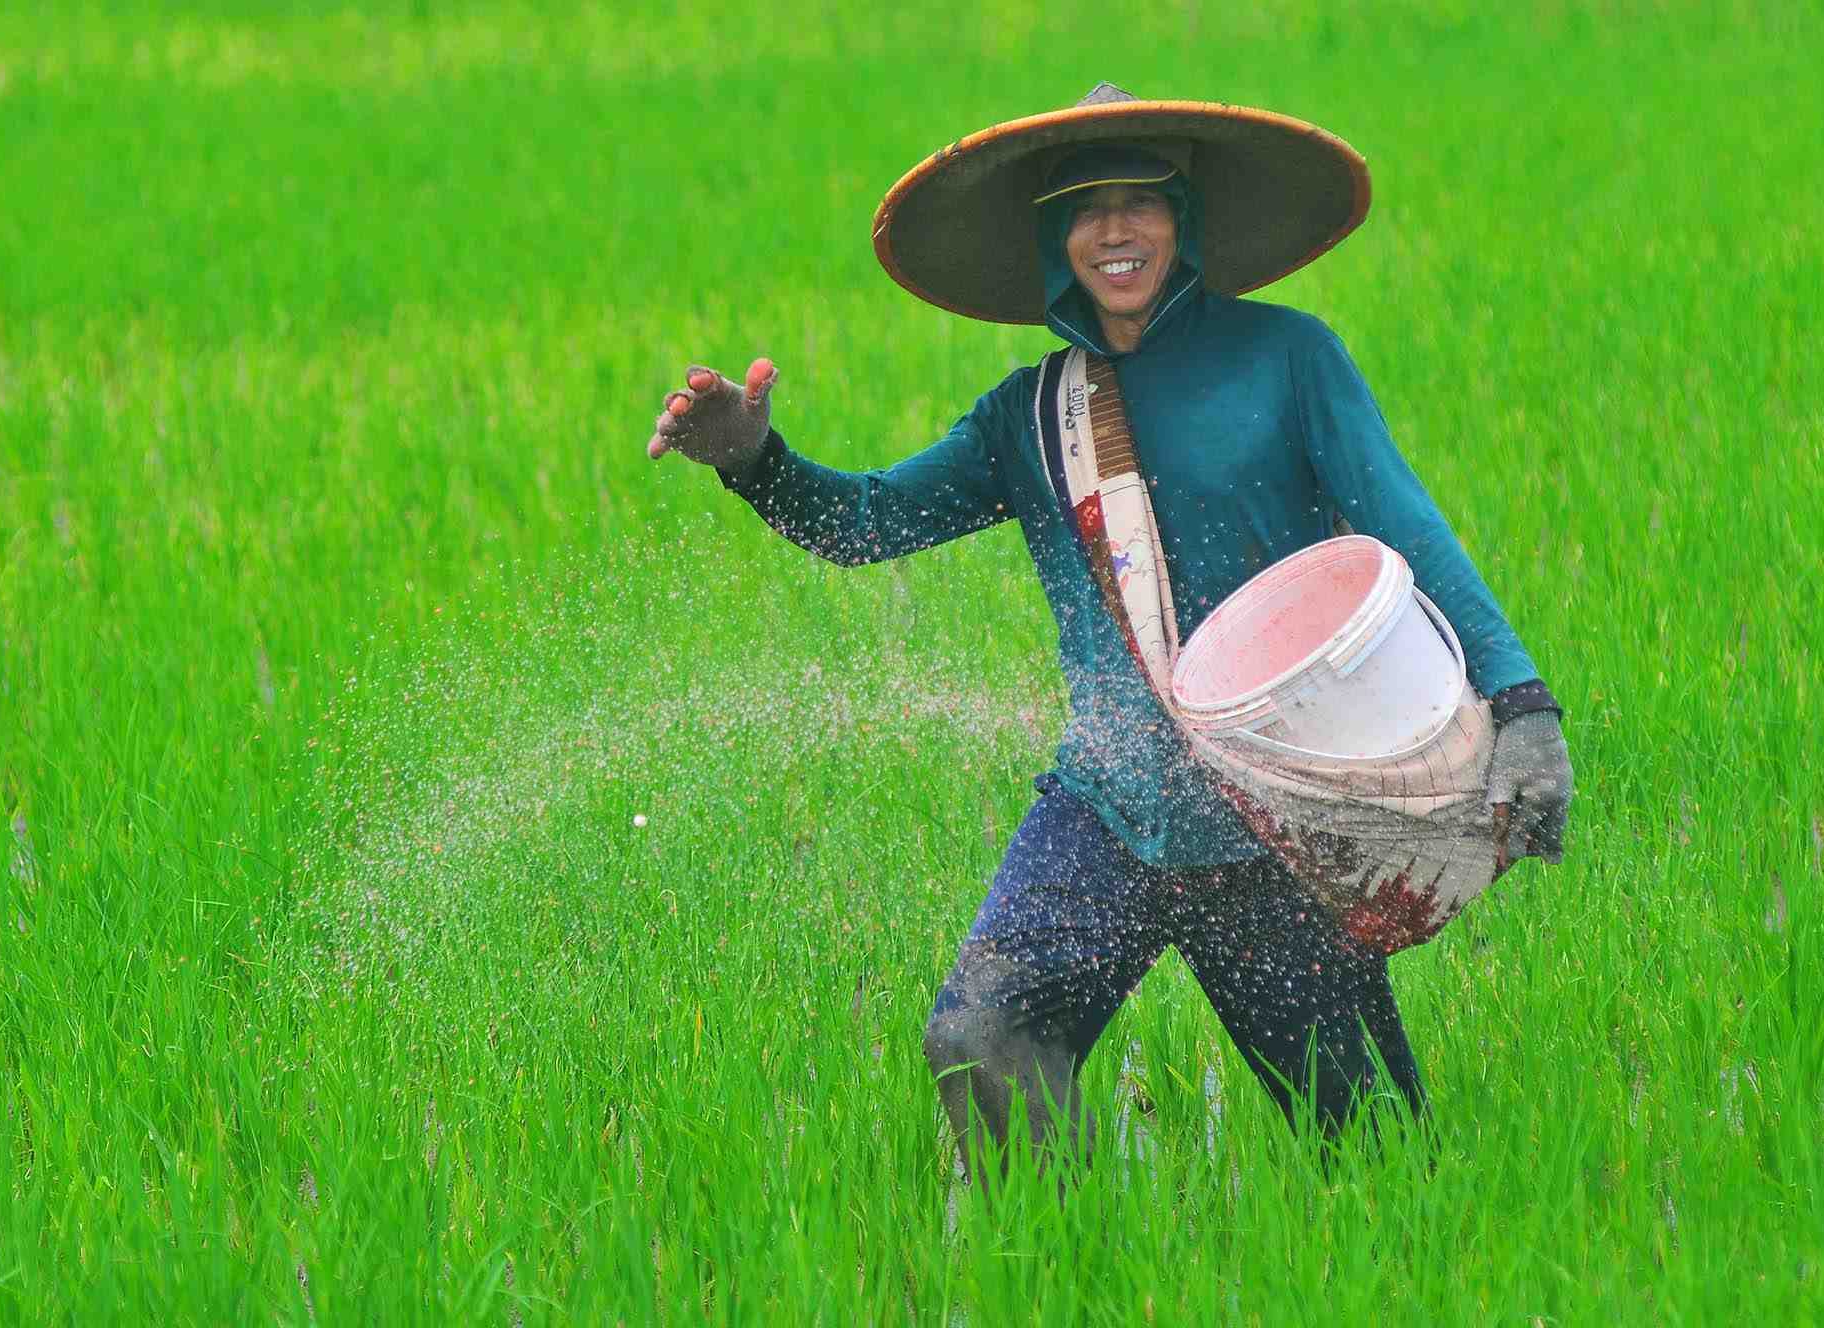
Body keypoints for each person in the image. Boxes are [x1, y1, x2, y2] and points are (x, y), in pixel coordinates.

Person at [644, 85, 1573, 1175]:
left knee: (1372, 1152)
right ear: (1052, 237)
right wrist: (756, 462)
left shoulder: (1287, 358)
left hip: (1266, 816)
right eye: (1086, 208)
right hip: (1109, 807)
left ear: (1181, 219)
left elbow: (1405, 524)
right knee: (980, 1045)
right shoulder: (1029, 416)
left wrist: (1519, 704)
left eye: (1141, 201)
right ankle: (1080, 1265)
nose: (1115, 230)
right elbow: (864, 525)